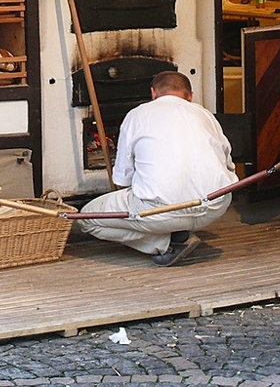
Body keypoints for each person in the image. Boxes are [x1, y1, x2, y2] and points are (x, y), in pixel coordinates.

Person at [78, 71, 239, 267]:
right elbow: (228, 163)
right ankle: (178, 231)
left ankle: (168, 243)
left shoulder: (137, 114)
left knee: (87, 219)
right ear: (190, 96)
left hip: (160, 211)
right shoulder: (205, 114)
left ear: (153, 93)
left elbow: (123, 178)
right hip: (215, 205)